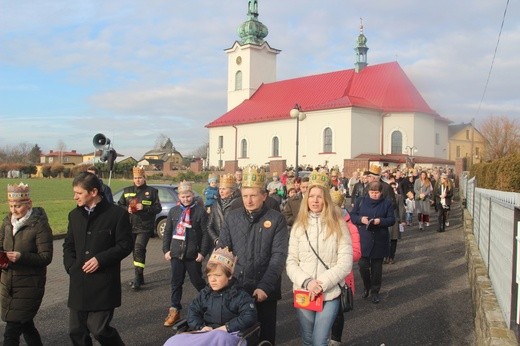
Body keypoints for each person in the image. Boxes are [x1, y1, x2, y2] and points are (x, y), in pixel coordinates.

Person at [219, 165, 288, 345]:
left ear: (264, 196)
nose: (248, 201)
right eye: (245, 196)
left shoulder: (276, 219)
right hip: (237, 288)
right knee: (238, 336)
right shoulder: (231, 218)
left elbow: (278, 256)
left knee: (264, 336)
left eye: (253, 196)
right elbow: (222, 251)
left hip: (265, 289)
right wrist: (218, 278)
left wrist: (265, 286)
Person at [63, 172, 133, 345]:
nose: (75, 197)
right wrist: (71, 267)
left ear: (93, 192)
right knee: (76, 331)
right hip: (79, 282)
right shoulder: (74, 215)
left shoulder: (117, 214)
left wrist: (100, 259)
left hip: (104, 284)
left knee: (99, 329)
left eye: (79, 193)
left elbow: (125, 245)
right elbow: (68, 245)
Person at [286, 170, 353, 346]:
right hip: (304, 291)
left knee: (319, 340)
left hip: (329, 292)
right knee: (307, 340)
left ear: (327, 200)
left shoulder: (339, 225)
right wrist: (308, 282)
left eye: (320, 197)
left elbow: (345, 262)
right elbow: (291, 262)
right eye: (311, 196)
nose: (315, 200)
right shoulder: (298, 226)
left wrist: (321, 283)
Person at [163, 247, 257, 346]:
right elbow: (192, 312)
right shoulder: (205, 294)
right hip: (207, 332)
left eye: (217, 275)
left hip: (230, 335)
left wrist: (227, 327)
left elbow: (249, 316)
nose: (212, 280)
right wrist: (201, 327)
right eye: (209, 276)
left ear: (229, 276)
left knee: (219, 336)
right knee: (174, 341)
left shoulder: (240, 295)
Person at [0, 183, 53, 346]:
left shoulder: (39, 226)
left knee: (12, 329)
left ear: (28, 204)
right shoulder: (7, 221)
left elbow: (46, 257)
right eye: (11, 206)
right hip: (8, 282)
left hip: (30, 283)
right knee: (25, 324)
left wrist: (21, 257)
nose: (14, 210)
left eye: (17, 206)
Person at [163, 181, 210, 327]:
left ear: (192, 195)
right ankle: (175, 309)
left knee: (198, 282)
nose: (186, 199)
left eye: (188, 196)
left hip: (192, 255)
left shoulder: (200, 212)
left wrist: (202, 252)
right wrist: (166, 250)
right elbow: (168, 232)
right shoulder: (173, 212)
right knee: (176, 283)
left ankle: (210, 303)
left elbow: (206, 234)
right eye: (183, 196)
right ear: (179, 197)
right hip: (176, 254)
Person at [350, 181, 395, 304]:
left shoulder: (387, 203)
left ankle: (375, 291)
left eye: (377, 193)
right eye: (372, 192)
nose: (374, 195)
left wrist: (380, 221)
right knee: (363, 265)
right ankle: (367, 286)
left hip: (379, 239)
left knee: (376, 268)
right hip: (364, 238)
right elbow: (352, 215)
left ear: (381, 192)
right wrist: (360, 219)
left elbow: (391, 219)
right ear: (368, 192)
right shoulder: (360, 201)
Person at [117, 166, 162, 290]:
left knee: (138, 249)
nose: (137, 180)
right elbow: (119, 205)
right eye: (135, 178)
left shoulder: (152, 191)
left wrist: (145, 208)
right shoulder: (127, 190)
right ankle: (140, 276)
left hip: (145, 227)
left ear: (144, 178)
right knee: (135, 251)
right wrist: (127, 209)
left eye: (140, 178)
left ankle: (137, 280)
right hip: (130, 226)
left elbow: (158, 208)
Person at [329, 187, 361, 346]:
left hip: (342, 277)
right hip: (321, 275)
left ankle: (335, 339)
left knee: (337, 311)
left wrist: (337, 258)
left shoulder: (350, 227)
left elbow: (356, 252)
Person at [207, 173, 240, 247]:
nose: (221, 191)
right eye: (220, 189)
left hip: (234, 245)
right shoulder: (215, 204)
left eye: (224, 189)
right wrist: (216, 239)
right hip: (218, 244)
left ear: (232, 191)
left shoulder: (239, 204)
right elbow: (209, 226)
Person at [387, 182, 406, 264]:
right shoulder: (384, 197)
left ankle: (391, 257)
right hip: (386, 221)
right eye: (392, 188)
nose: (393, 189)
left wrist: (402, 220)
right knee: (385, 240)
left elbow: (401, 209)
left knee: (393, 240)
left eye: (394, 188)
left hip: (395, 220)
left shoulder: (399, 197)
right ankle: (386, 256)